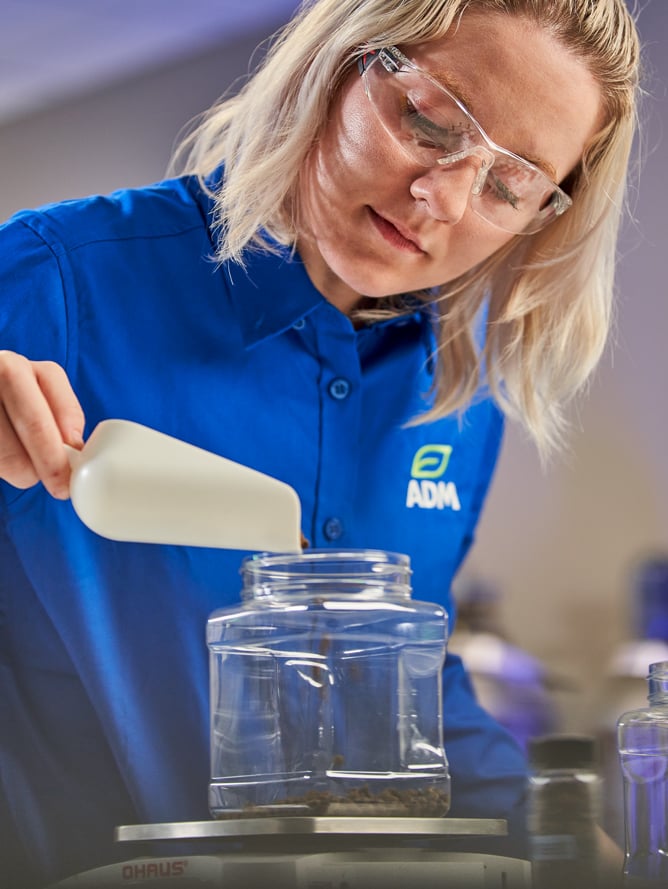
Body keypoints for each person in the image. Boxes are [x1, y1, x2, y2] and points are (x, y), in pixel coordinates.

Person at [0, 0, 640, 886]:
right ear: (337, 62)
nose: (444, 199)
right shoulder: (53, 280)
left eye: (508, 186)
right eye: (430, 120)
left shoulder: (460, 394)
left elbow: (404, 696)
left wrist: (581, 852)